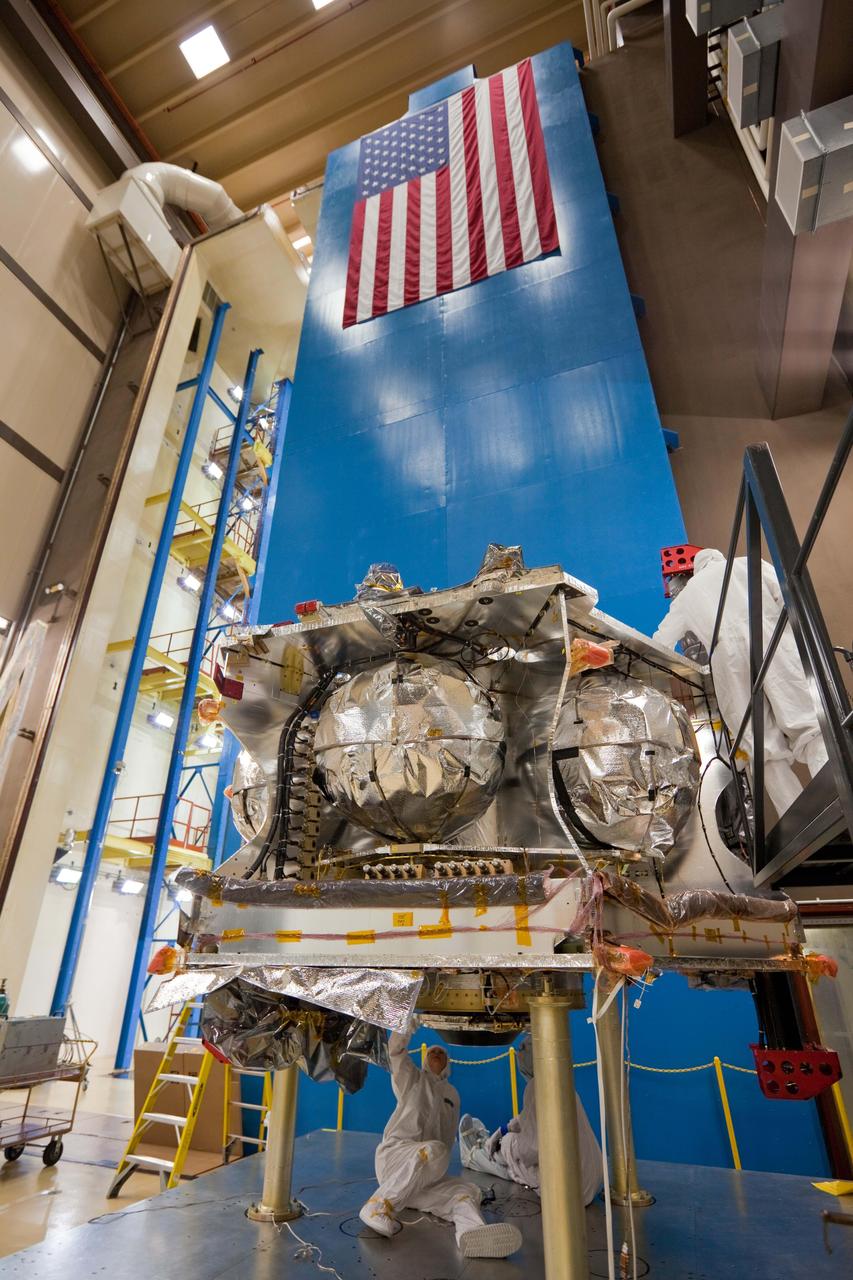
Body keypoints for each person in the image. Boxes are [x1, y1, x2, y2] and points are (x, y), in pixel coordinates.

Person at [653, 548, 828, 816]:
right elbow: (786, 598)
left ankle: (799, 821)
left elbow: (661, 642)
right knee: (809, 724)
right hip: (773, 638)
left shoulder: (687, 594)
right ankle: (835, 801)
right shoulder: (749, 564)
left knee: (760, 745)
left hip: (728, 659)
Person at [359, 1031, 522, 1259]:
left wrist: (436, 1173)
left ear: (448, 1062)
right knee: (436, 1150)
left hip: (422, 1176)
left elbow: (446, 1135)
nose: (436, 1054)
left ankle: (471, 1233)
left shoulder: (452, 1095)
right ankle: (378, 1206)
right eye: (432, 1051)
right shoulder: (412, 1080)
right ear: (425, 1058)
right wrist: (405, 1026)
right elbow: (395, 1052)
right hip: (395, 1159)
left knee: (467, 1190)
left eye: (441, 1052)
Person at [459, 1035, 602, 1205]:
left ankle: (474, 1156)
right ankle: (487, 1152)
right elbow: (536, 1118)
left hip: (568, 1192)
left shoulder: (535, 1087)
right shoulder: (561, 1083)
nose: (519, 1055)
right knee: (514, 1152)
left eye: (522, 1051)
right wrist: (505, 1129)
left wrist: (504, 1144)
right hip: (590, 1182)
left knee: (512, 1158)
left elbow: (530, 1149)